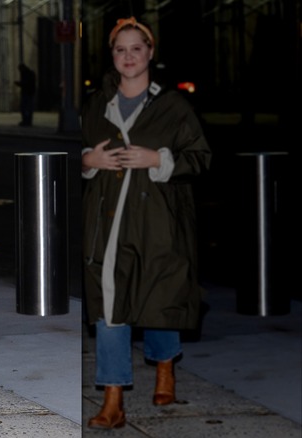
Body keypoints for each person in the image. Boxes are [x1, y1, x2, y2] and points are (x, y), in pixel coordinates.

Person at [80, 17, 211, 429]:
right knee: (109, 303)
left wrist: (158, 160)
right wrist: (89, 161)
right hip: (108, 222)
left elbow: (201, 158)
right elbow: (80, 152)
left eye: (137, 48)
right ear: (112, 56)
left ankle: (165, 368)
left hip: (159, 222)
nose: (129, 56)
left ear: (150, 53)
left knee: (159, 297)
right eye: (121, 49)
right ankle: (113, 397)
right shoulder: (99, 105)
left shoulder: (174, 107)